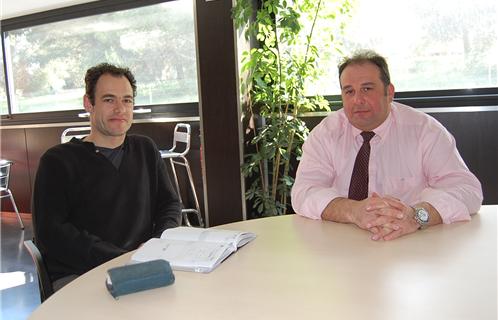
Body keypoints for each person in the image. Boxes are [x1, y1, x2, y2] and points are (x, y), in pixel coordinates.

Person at [291, 50, 483, 241]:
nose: (357, 100)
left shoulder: (425, 130)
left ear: (389, 92)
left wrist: (416, 216)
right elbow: (303, 192)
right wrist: (353, 211)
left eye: (367, 89)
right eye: (349, 91)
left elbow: (468, 191)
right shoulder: (325, 134)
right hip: (339, 242)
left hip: (412, 243)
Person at [32, 63, 182, 290]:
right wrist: (120, 257)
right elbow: (51, 233)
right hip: (82, 273)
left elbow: (169, 204)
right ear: (88, 103)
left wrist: (156, 243)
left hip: (143, 263)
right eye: (109, 99)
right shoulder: (57, 161)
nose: (120, 109)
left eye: (127, 100)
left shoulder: (145, 149)